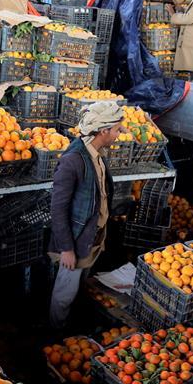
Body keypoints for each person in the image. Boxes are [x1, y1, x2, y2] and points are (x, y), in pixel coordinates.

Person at [48, 101, 125, 328]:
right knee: (64, 293)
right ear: (103, 131)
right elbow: (58, 208)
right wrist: (67, 249)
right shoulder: (73, 160)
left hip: (91, 237)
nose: (119, 135)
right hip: (76, 241)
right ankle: (55, 334)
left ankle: (72, 326)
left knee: (78, 288)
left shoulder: (96, 154)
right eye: (117, 130)